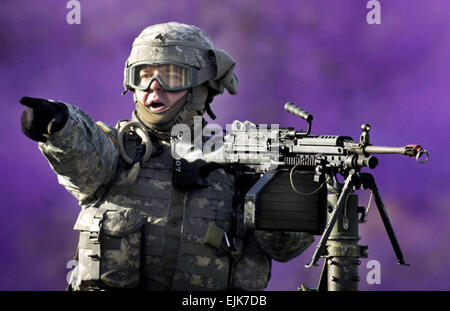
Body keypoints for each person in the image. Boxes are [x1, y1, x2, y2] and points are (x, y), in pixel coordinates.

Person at [19, 22, 314, 291]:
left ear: (201, 88)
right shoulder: (118, 154)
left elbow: (284, 248)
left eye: (172, 76)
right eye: (144, 76)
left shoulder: (240, 165)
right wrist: (58, 124)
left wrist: (289, 183)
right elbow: (84, 150)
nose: (154, 87)